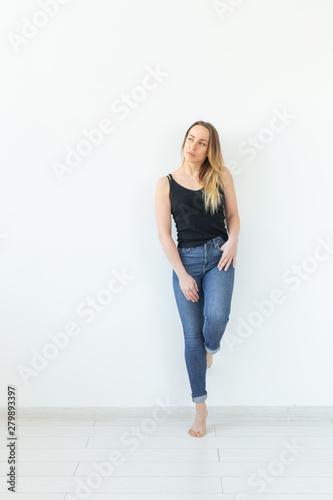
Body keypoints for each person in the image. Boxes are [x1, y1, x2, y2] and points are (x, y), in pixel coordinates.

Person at [155, 120, 240, 437]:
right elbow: (164, 235)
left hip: (221, 255)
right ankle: (200, 410)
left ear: (210, 148)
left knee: (217, 316)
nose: (193, 145)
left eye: (201, 142)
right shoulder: (165, 184)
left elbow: (232, 215)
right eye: (191, 138)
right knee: (191, 337)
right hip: (185, 260)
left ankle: (211, 350)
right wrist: (181, 275)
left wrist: (233, 240)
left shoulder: (221, 175)